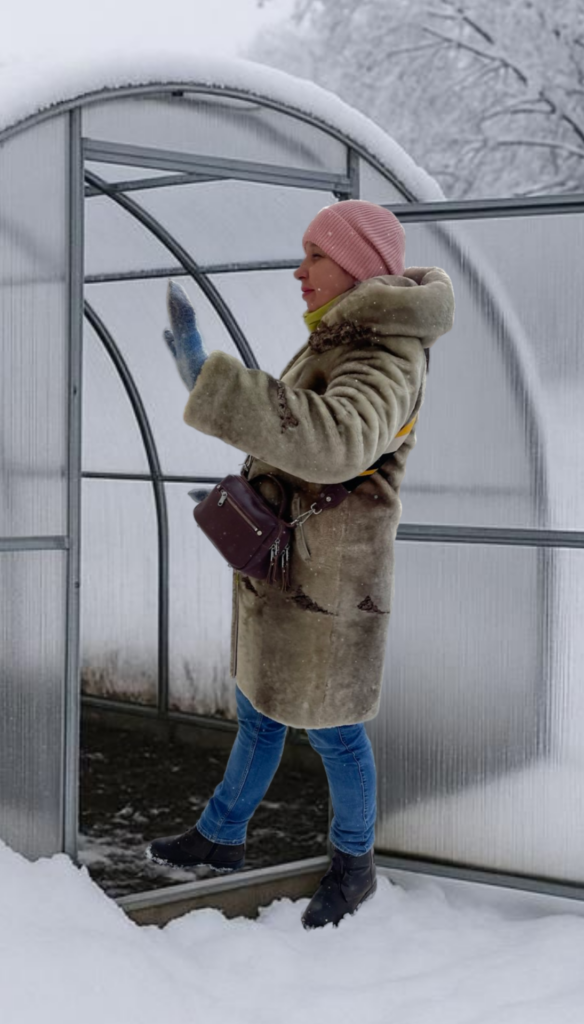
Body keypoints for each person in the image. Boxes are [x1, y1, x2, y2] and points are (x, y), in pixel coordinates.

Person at [145, 200, 455, 929]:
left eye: (314, 254)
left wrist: (210, 381)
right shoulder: (344, 340)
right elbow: (301, 448)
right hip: (292, 568)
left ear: (357, 263)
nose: (299, 269)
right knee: (259, 709)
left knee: (335, 727)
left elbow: (338, 442)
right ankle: (222, 836)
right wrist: (255, 488)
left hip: (330, 583)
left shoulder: (386, 352)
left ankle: (355, 864)